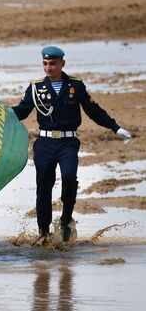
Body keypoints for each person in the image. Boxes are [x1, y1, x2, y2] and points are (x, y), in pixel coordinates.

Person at [12, 46, 131, 243]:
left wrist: (115, 128)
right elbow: (21, 111)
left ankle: (66, 220)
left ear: (62, 64)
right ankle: (44, 233)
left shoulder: (76, 86)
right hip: (44, 143)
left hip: (68, 142)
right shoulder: (36, 87)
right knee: (43, 187)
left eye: (52, 63)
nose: (48, 67)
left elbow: (93, 110)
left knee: (69, 177)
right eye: (45, 63)